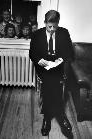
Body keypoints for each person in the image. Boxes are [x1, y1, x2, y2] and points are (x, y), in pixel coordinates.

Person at [29, 10, 74, 138]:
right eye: (50, 26)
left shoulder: (64, 33)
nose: (52, 29)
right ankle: (59, 116)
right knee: (51, 85)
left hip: (58, 68)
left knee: (51, 87)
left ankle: (48, 117)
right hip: (43, 69)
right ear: (45, 23)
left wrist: (60, 60)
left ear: (58, 23)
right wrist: (40, 61)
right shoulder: (37, 34)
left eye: (55, 26)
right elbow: (32, 53)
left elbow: (69, 52)